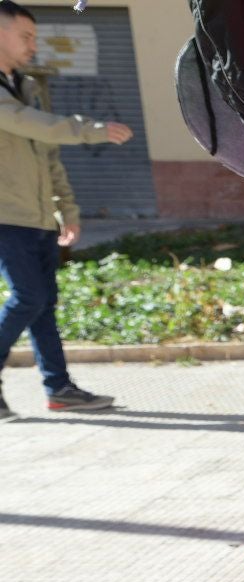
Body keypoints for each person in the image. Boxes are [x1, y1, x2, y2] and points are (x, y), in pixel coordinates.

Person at [0, 0, 133, 420]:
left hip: (38, 216)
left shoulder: (27, 84)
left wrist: (67, 209)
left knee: (44, 305)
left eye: (35, 37)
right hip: (5, 217)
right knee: (28, 297)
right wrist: (91, 130)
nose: (33, 45)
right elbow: (31, 124)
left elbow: (47, 153)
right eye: (25, 36)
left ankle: (59, 388)